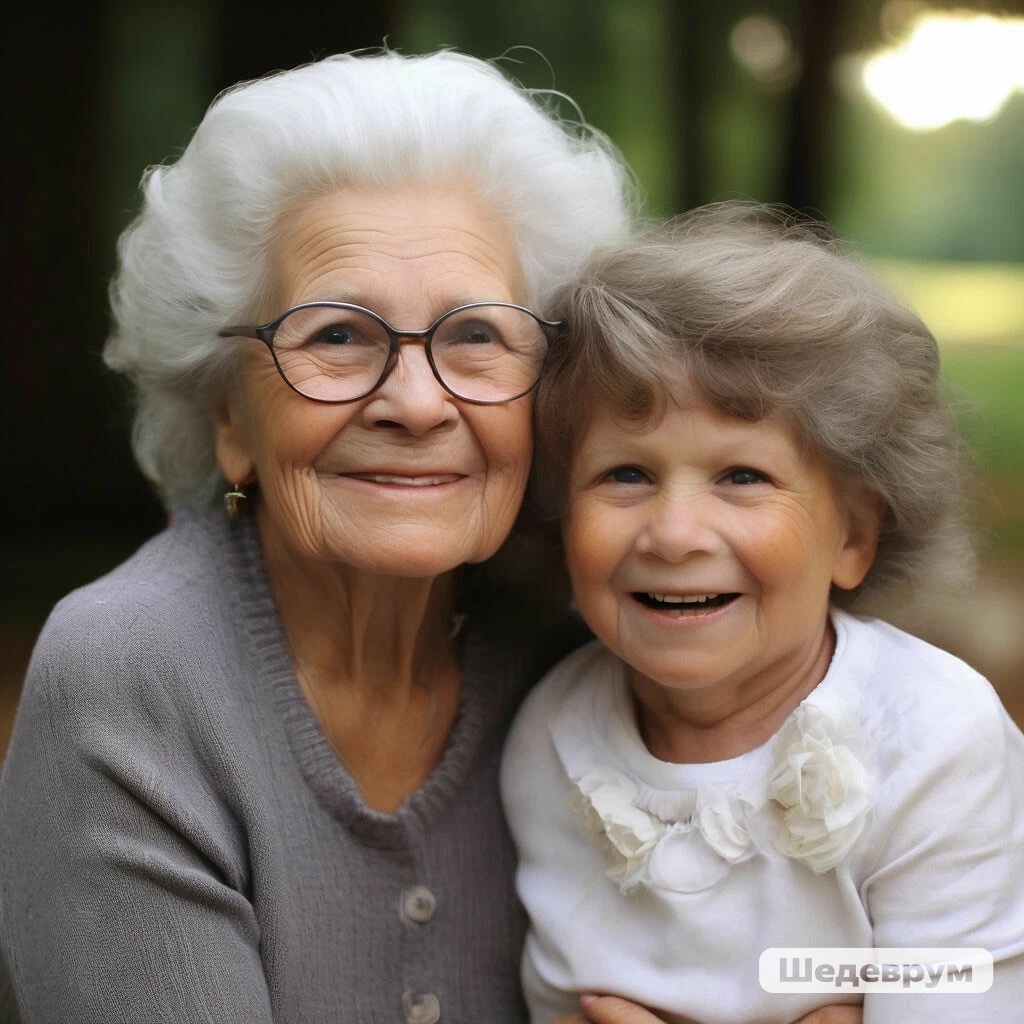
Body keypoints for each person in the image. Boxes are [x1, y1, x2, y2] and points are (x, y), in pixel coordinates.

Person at [0, 46, 862, 1024]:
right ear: (229, 419)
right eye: (335, 335)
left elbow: (935, 945)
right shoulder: (136, 674)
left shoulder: (590, 641)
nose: (414, 402)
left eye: (477, 336)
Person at [501, 202, 1024, 1023]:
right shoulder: (554, 734)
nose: (674, 533)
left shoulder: (933, 742)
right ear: (560, 519)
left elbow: (964, 991)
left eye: (742, 475)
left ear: (853, 534)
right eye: (625, 474)